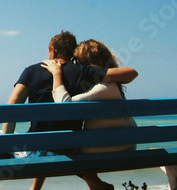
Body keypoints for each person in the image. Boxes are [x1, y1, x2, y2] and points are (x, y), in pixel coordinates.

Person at [0, 31, 138, 190]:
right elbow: (129, 74)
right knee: (50, 142)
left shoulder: (31, 71)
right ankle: (96, 184)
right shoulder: (84, 72)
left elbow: (13, 104)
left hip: (38, 152)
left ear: (53, 50)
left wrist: (7, 141)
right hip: (69, 151)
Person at [41, 39, 138, 190]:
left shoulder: (101, 88)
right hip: (128, 146)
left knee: (64, 149)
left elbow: (65, 106)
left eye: (77, 62)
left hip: (101, 151)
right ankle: (98, 186)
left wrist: (57, 73)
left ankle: (98, 186)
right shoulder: (112, 84)